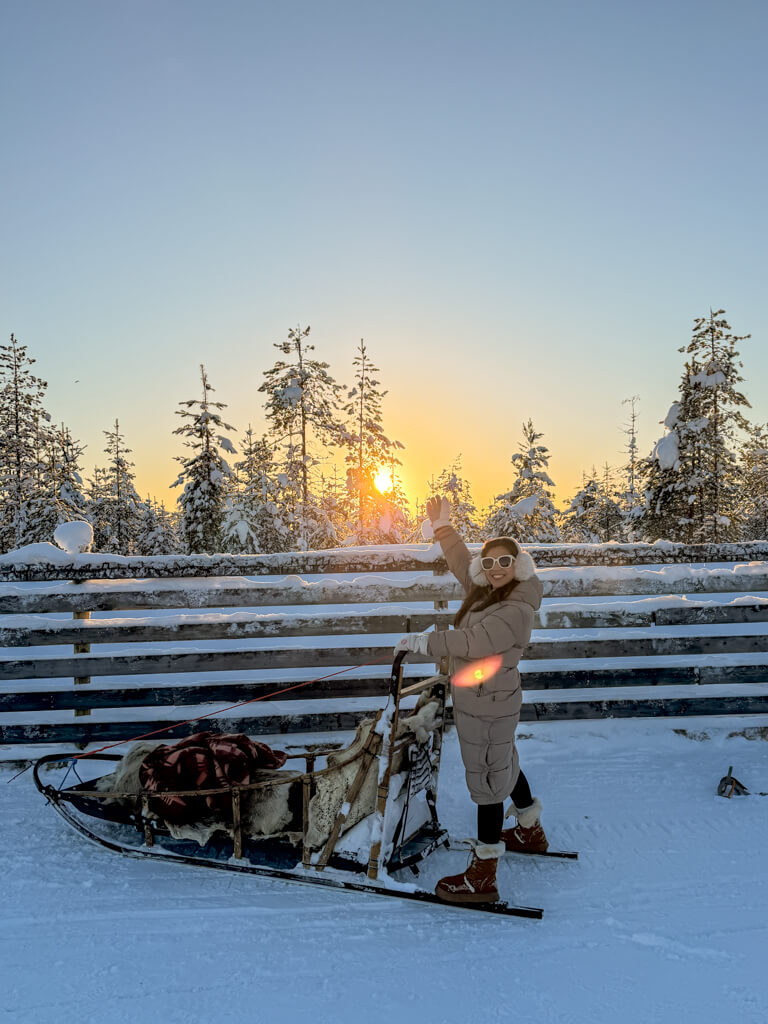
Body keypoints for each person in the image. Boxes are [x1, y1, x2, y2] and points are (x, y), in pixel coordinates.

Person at [395, 495, 548, 904]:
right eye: (491, 562)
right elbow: (465, 564)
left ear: (520, 566)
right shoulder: (489, 591)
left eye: (505, 562)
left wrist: (426, 642)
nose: (495, 568)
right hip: (488, 697)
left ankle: (484, 874)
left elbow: (475, 641)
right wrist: (444, 528)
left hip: (488, 700)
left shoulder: (516, 608)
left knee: (487, 780)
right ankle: (530, 830)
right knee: (503, 762)